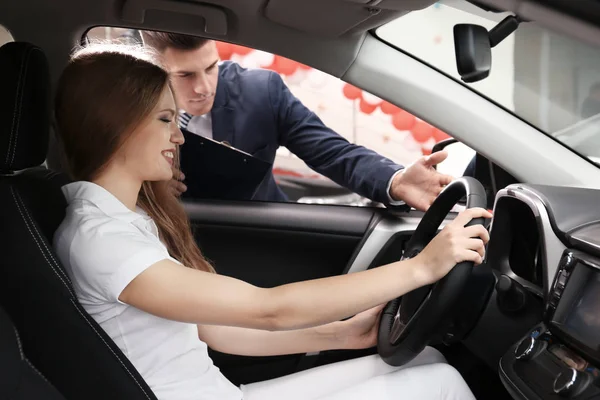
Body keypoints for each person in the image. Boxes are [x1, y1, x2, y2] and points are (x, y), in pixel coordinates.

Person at [52, 43, 491, 400]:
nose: (179, 135)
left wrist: (340, 335)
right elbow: (269, 310)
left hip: (215, 390)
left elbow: (212, 330)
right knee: (444, 385)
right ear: (116, 125)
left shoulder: (127, 218)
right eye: (166, 119)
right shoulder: (102, 239)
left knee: (428, 361)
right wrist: (421, 268)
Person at [141, 31, 453, 211]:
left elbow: (334, 153)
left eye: (211, 68)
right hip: (165, 242)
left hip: (258, 232)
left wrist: (396, 181)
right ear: (153, 69)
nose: (205, 87)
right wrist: (148, 191)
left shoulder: (261, 92)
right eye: (185, 75)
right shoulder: (129, 112)